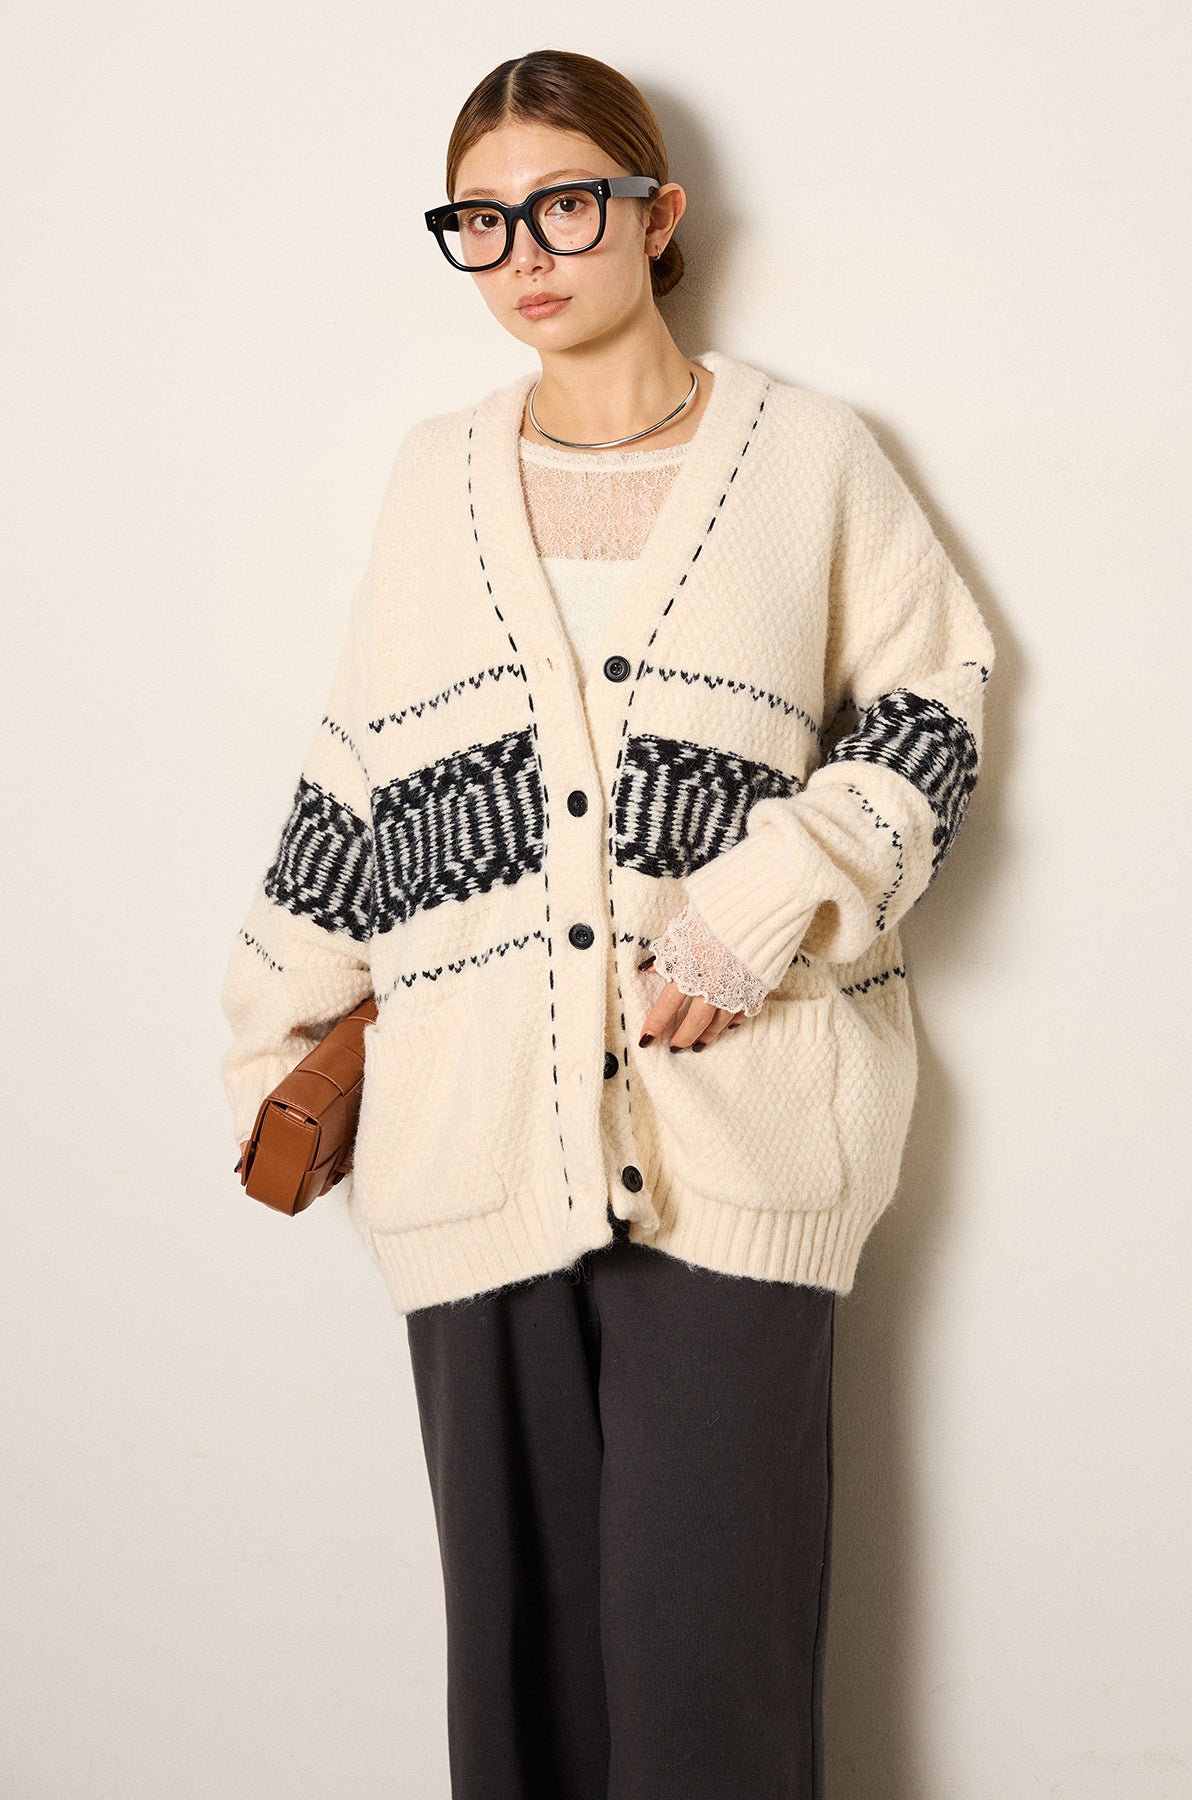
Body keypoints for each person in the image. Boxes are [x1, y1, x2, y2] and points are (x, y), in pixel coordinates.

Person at [220, 47, 995, 1800]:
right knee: (519, 1685)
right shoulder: (435, 474)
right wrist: (277, 1042)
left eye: (564, 203)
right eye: (481, 222)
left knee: (714, 1680)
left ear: (658, 215)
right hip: (469, 1135)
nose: (525, 254)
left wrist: (762, 906)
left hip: (738, 1135)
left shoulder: (807, 458)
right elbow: (358, 782)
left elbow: (934, 701)